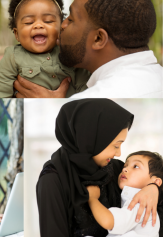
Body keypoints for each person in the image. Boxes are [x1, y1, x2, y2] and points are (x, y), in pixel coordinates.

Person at [14, 0, 163, 98]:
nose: (62, 26)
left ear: (98, 39)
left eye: (71, 19)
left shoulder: (90, 102)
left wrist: (53, 110)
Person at [36, 99, 163, 237]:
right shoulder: (52, 180)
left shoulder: (114, 169)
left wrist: (154, 188)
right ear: (91, 138)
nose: (118, 153)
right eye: (116, 146)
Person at [0, 0, 90, 98]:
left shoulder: (69, 53)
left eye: (48, 21)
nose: (38, 25)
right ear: (17, 34)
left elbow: (86, 89)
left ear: (61, 28)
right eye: (29, 22)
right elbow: (1, 92)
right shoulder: (12, 57)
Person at [87, 151, 162, 237]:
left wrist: (92, 198)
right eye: (125, 165)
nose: (124, 169)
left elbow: (108, 221)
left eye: (136, 166)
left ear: (155, 181)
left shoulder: (142, 204)